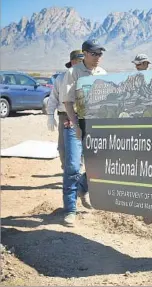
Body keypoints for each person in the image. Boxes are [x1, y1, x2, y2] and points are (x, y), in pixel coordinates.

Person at [61, 40, 107, 227]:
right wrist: (75, 124)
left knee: (100, 163)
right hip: (76, 123)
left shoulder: (103, 74)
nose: (98, 58)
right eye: (94, 54)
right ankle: (70, 209)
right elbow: (68, 102)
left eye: (100, 54)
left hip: (96, 124)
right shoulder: (73, 73)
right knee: (72, 166)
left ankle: (82, 187)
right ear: (85, 54)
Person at [47, 50, 84, 169]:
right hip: (65, 116)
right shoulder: (61, 79)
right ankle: (67, 169)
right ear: (73, 62)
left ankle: (77, 171)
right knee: (63, 147)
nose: (83, 64)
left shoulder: (86, 78)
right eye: (80, 61)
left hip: (82, 116)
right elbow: (53, 98)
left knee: (81, 145)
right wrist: (50, 115)